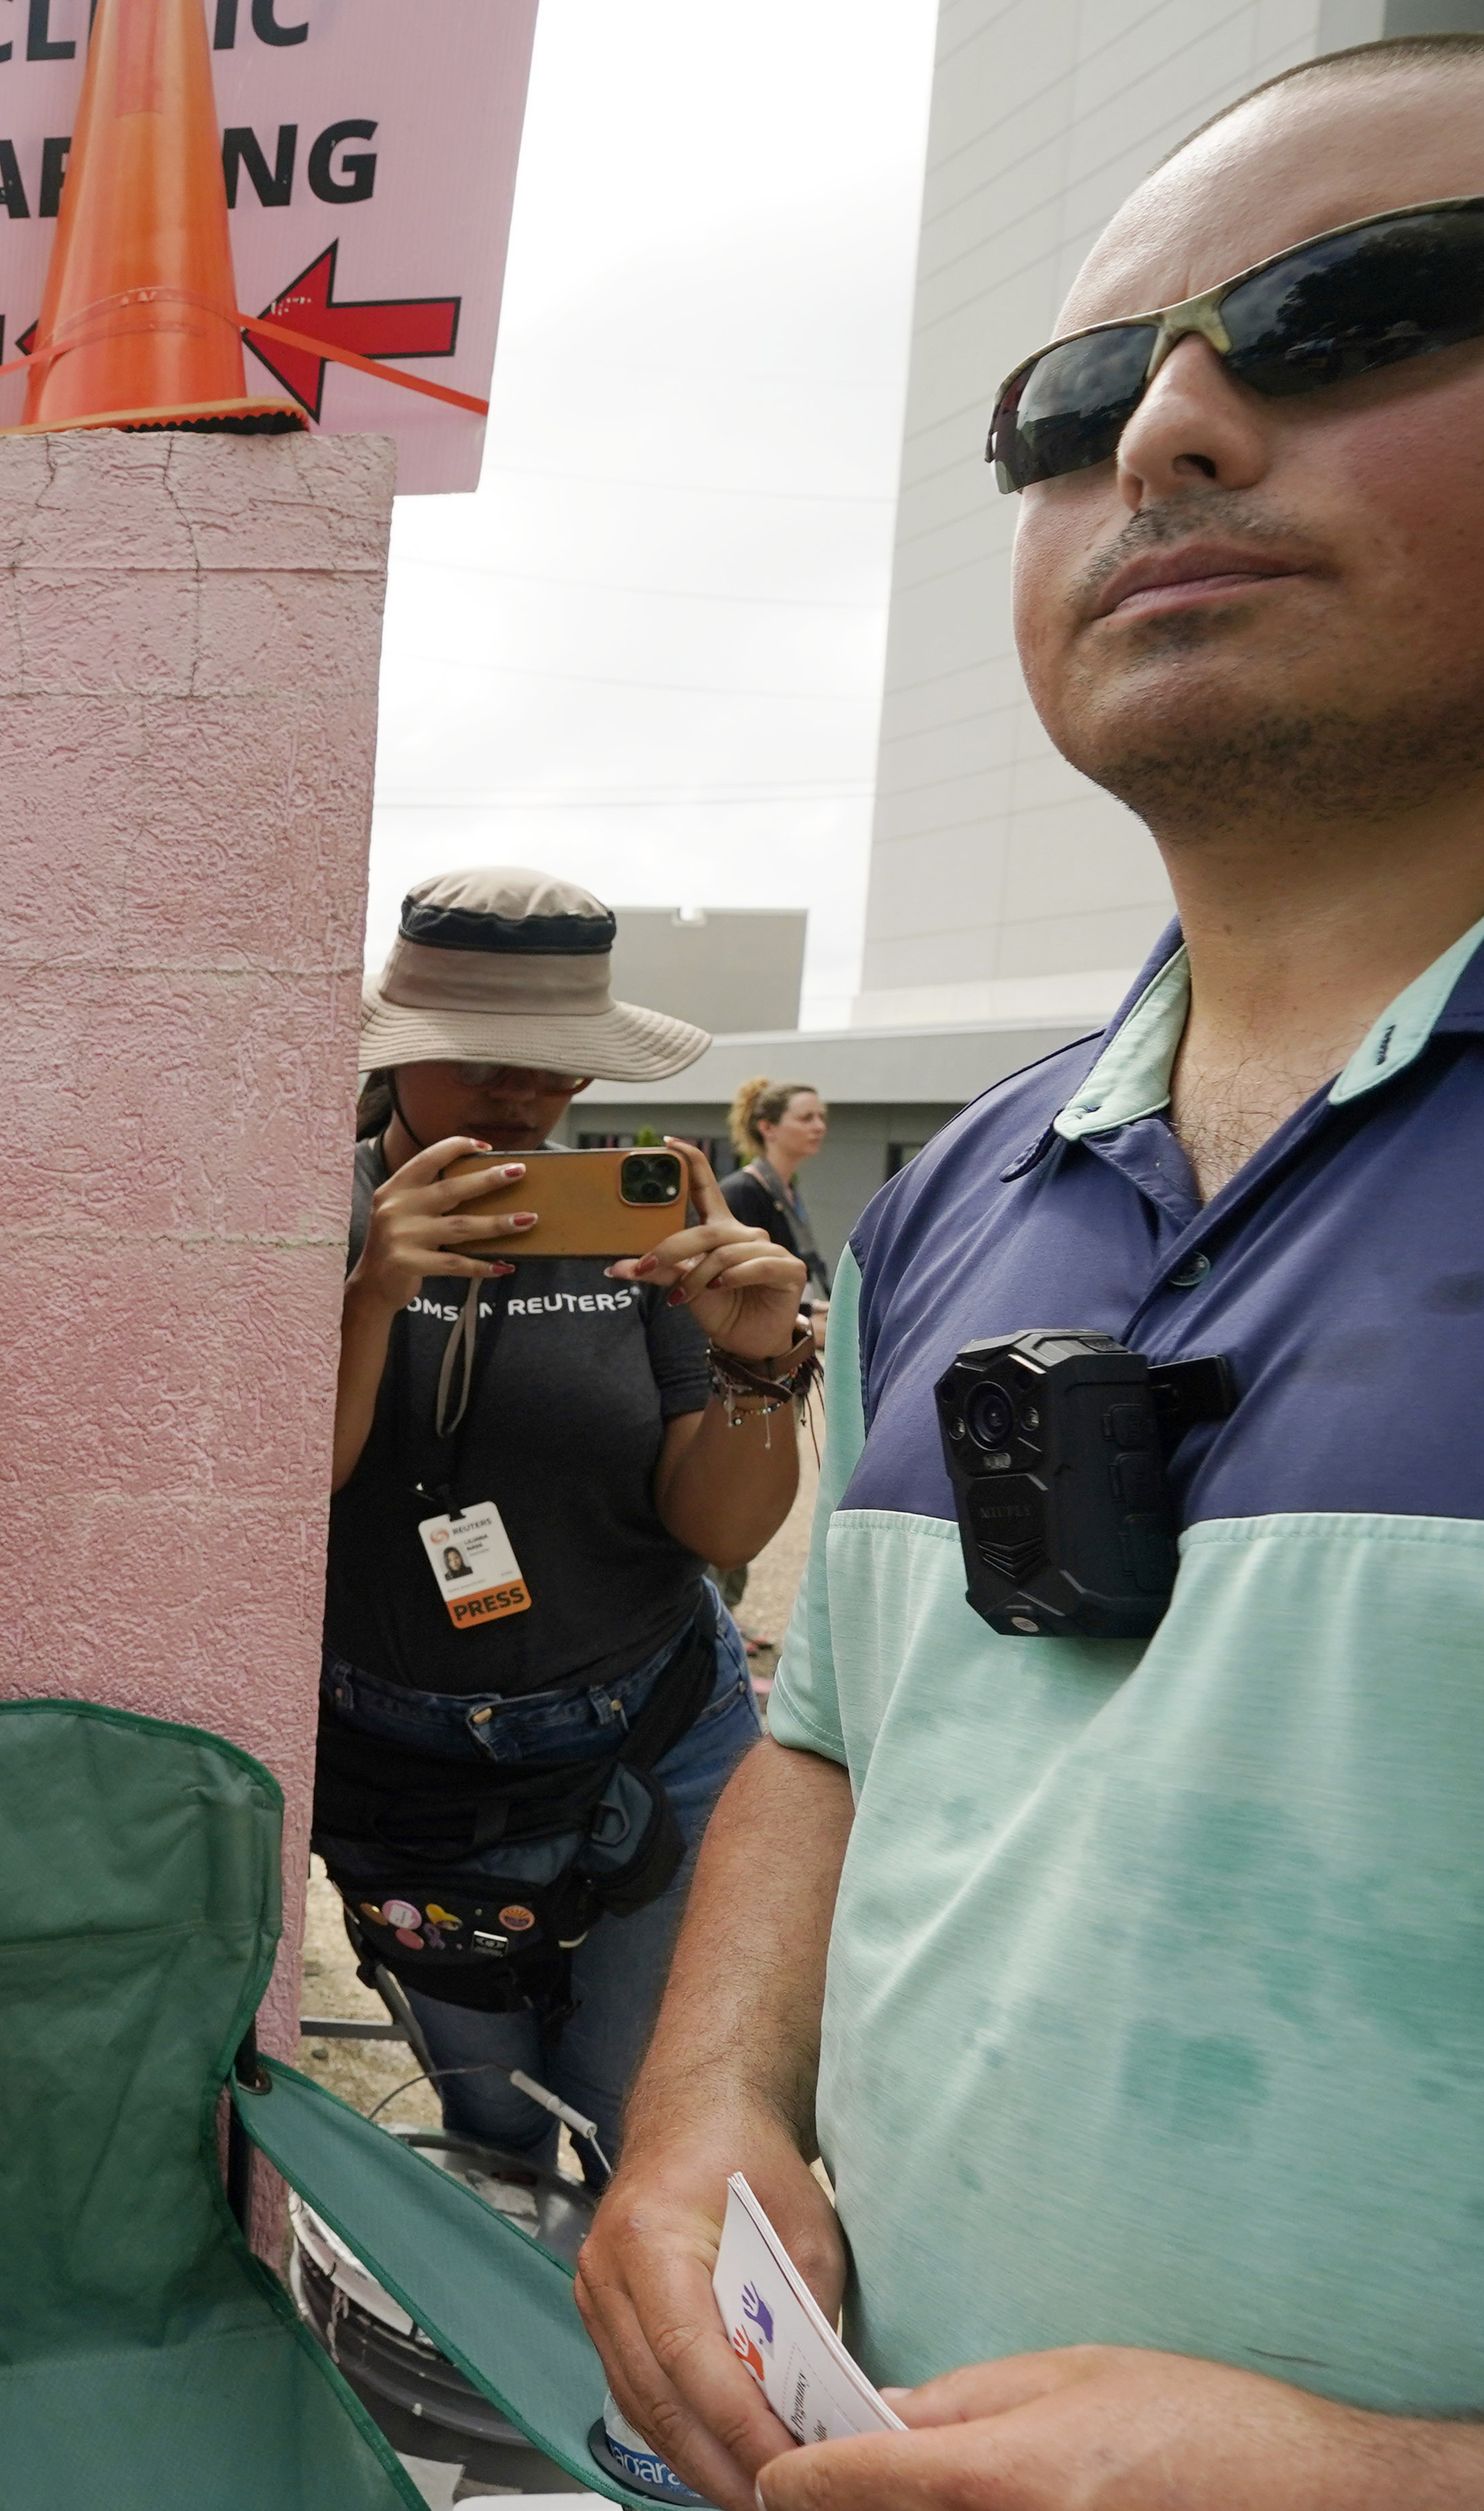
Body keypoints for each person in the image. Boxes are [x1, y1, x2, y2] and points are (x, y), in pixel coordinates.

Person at [575, 40, 1484, 2510]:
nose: (1170, 430)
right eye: (1072, 399)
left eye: (1350, 312)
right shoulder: (967, 1186)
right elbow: (831, 1740)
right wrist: (700, 2120)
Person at [320, 870, 813, 2177]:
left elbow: (708, 1521)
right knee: (494, 2119)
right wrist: (371, 1292)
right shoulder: (310, 1220)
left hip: (656, 1729)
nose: (515, 1096)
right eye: (474, 1059)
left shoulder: (636, 1228)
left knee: (635, 2112)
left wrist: (756, 1368)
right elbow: (285, 1493)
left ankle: (604, 2372)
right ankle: (521, 2352)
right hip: (398, 1762)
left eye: (552, 1067)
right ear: (399, 1054)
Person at [715, 1077, 832, 1306]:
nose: (820, 1127)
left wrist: (813, 1309)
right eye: (807, 1118)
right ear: (768, 1128)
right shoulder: (742, 1192)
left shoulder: (786, 1189)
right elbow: (743, 1289)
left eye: (821, 1117)